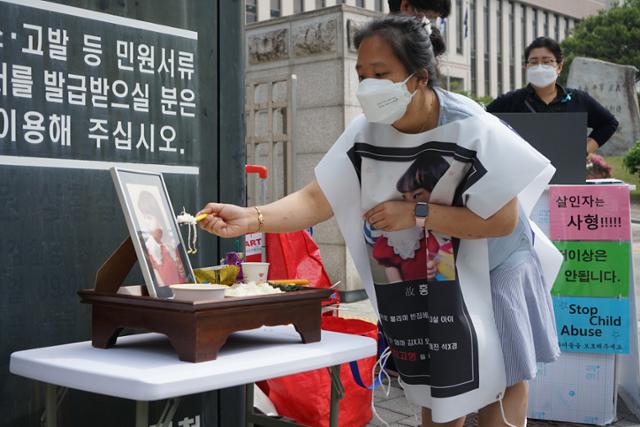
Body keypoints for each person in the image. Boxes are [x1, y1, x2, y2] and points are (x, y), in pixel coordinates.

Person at [199, 16, 560, 427]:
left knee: (499, 381)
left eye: (381, 73)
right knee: (440, 388)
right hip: (438, 272)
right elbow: (317, 197)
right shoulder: (366, 132)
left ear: (419, 77)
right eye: (361, 74)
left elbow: (501, 220)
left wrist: (417, 214)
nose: (368, 85)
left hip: (496, 264)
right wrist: (252, 218)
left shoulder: (471, 126)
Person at [486, 36, 619, 157]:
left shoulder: (577, 99)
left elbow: (609, 123)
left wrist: (584, 150)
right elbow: (482, 121)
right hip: (522, 177)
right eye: (533, 61)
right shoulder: (511, 100)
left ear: (559, 67)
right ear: (526, 67)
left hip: (566, 174)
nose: (539, 67)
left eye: (546, 61)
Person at [137, 190, 188, 287]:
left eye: (149, 217)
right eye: (144, 217)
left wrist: (181, 272)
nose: (146, 222)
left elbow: (182, 276)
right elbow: (161, 285)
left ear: (158, 217)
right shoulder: (149, 247)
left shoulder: (171, 243)